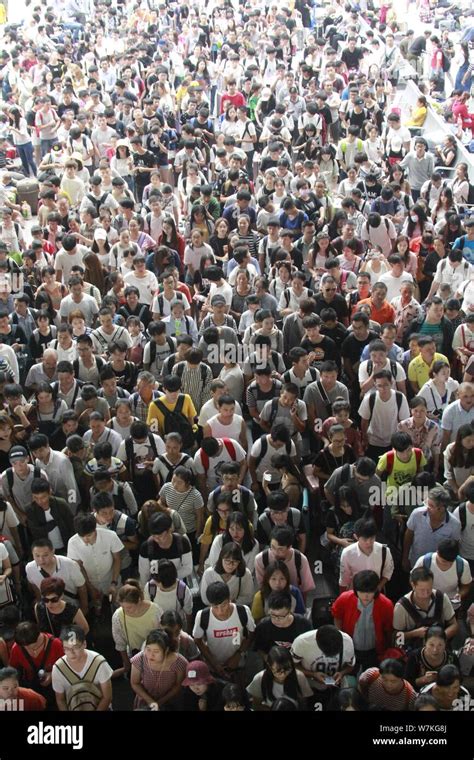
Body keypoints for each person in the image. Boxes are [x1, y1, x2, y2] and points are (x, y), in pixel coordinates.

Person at [331, 571, 394, 671]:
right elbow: (337, 616)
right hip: (351, 648)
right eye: (362, 592)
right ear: (356, 590)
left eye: (370, 592)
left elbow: (388, 629)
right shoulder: (345, 599)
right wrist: (340, 637)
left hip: (374, 651)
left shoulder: (386, 604)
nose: (366, 596)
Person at [193, 581, 255, 679]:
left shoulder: (243, 611)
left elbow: (251, 634)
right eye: (215, 607)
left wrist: (238, 654)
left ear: (230, 599)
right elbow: (198, 640)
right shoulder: (202, 616)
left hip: (238, 665)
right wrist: (214, 663)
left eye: (224, 605)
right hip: (213, 668)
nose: (220, 611)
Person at [393, 567, 458, 649]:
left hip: (440, 649)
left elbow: (454, 625)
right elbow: (396, 637)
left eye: (429, 589)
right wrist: (414, 633)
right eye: (422, 590)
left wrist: (439, 638)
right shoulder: (401, 606)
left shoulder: (441, 598)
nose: (426, 594)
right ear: (413, 585)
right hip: (414, 651)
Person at [52, 625, 113, 712]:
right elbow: (60, 700)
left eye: (76, 647)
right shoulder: (58, 668)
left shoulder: (98, 662)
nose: (71, 653)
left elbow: (107, 697)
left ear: (84, 644)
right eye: (67, 649)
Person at [111, 580, 163, 675]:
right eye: (123, 607)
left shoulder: (155, 611)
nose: (126, 610)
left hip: (155, 656)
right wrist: (127, 664)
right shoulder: (118, 616)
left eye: (129, 607)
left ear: (139, 600)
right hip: (135, 654)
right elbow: (120, 643)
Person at [247, 645, 312, 710]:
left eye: (287, 669)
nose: (283, 674)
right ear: (270, 666)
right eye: (278, 671)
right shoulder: (260, 678)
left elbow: (304, 704)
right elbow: (256, 705)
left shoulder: (299, 676)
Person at [339, 519, 394, 594]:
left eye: (372, 538)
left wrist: (379, 587)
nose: (368, 542)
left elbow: (388, 572)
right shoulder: (347, 553)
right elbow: (344, 580)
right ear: (356, 536)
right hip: (355, 592)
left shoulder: (384, 551)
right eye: (364, 539)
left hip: (376, 592)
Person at [405, 626, 461, 691]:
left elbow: (459, 680)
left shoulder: (452, 658)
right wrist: (422, 680)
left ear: (445, 643)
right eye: (431, 645)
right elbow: (407, 683)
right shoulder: (414, 657)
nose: (435, 650)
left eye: (440, 645)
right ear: (425, 642)